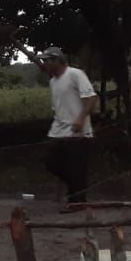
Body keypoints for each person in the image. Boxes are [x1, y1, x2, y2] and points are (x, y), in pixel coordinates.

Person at [38, 47, 97, 211]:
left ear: (57, 60)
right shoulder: (53, 81)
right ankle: (77, 189)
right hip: (58, 130)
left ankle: (77, 201)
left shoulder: (75, 74)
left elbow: (92, 98)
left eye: (47, 60)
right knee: (49, 160)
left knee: (76, 166)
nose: (45, 63)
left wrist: (81, 119)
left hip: (78, 131)